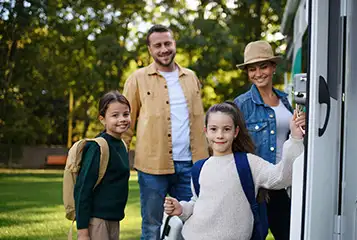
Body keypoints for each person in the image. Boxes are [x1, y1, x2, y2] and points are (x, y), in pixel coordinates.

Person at [163, 102, 305, 240]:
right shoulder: (199, 167)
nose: (220, 135)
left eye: (226, 129)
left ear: (235, 132)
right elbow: (197, 202)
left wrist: (295, 138)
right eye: (213, 129)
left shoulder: (248, 163)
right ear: (206, 131)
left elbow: (282, 177)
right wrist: (181, 208)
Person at [121, 24, 209, 239]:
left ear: (174, 44)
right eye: (157, 45)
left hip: (191, 165)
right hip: (152, 166)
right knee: (151, 225)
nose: (164, 49)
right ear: (150, 50)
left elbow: (201, 122)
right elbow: (126, 125)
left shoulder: (191, 78)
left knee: (196, 222)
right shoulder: (137, 79)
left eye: (167, 43)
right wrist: (118, 157)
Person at [234, 40, 294, 240]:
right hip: (256, 186)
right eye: (252, 69)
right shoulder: (241, 105)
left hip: (283, 184)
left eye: (263, 66)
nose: (258, 73)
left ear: (273, 67)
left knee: (288, 234)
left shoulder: (287, 101)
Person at [74, 91, 131, 240]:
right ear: (102, 119)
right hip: (97, 222)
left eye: (126, 114)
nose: (122, 119)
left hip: (114, 219)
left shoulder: (122, 145)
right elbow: (82, 189)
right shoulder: (98, 147)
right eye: (115, 115)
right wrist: (82, 232)